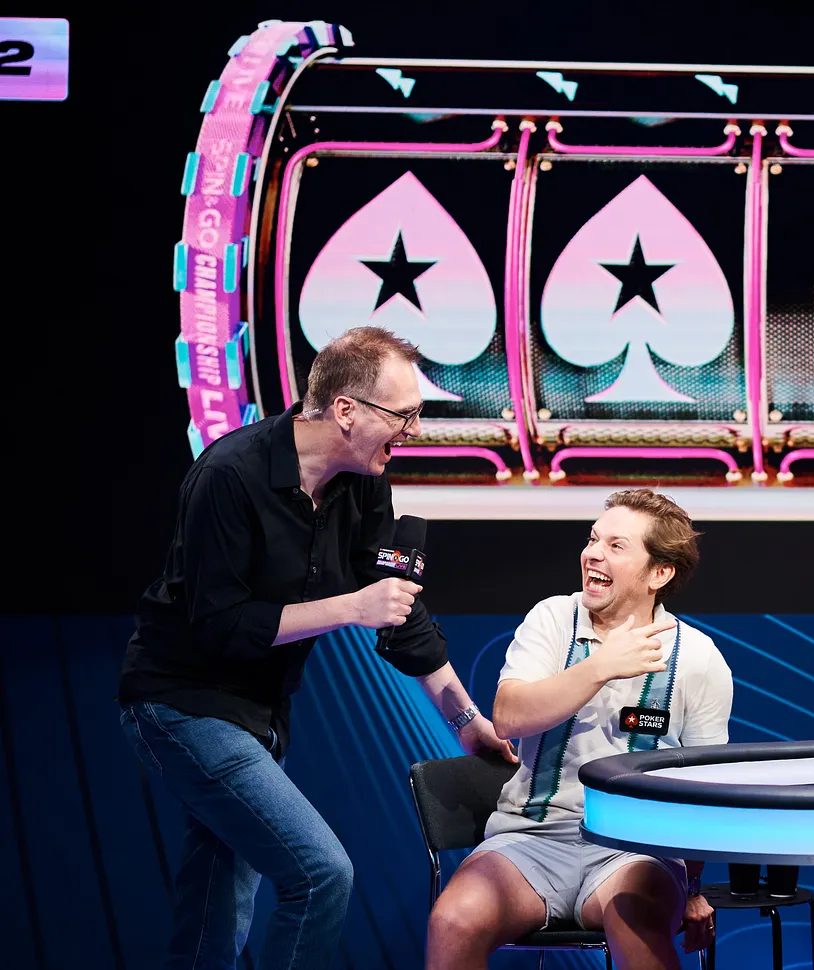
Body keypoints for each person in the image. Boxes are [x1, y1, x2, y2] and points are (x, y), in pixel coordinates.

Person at [117, 326, 515, 970]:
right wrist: (352, 607)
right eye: (403, 414)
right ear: (346, 409)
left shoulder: (363, 481)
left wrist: (467, 723)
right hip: (181, 704)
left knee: (216, 906)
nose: (413, 430)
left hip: (262, 714)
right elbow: (220, 627)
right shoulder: (229, 475)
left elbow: (400, 616)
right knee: (320, 873)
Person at [426, 488, 733, 970]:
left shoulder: (698, 658)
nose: (593, 554)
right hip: (529, 840)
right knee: (453, 921)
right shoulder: (552, 618)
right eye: (593, 539)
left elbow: (703, 791)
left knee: (636, 923)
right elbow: (508, 715)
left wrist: (692, 888)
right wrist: (600, 667)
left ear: (659, 573)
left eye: (616, 545)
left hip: (635, 852)